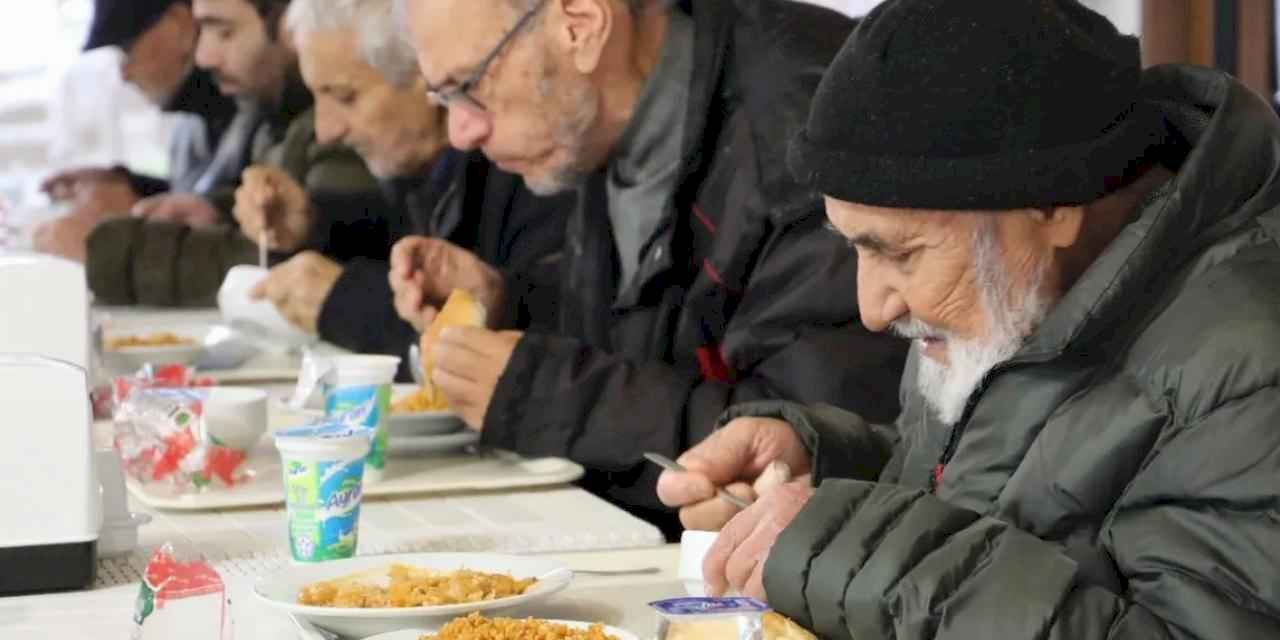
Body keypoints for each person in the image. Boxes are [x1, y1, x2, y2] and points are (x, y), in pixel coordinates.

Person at [657, 1, 1280, 637]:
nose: (874, 309)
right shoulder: (1021, 285)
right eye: (856, 247)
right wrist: (824, 464)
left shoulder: (1254, 368)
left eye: (897, 251)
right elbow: (990, 492)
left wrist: (844, 543)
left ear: (1054, 205)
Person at [394, 0, 906, 533]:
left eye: (469, 86)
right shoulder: (598, 117)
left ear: (582, 25)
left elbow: (813, 439)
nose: (459, 133)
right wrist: (511, 306)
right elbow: (667, 341)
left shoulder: (802, 124)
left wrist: (549, 393)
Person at [233, 0, 567, 375]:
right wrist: (313, 226)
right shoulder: (425, 174)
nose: (325, 131)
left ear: (425, 71)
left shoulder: (536, 170)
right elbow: (396, 244)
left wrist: (347, 303)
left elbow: (550, 344)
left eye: (345, 96)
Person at [83, 0, 377, 308]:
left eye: (224, 32)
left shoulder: (329, 128)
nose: (202, 57)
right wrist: (219, 211)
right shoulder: (269, 122)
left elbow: (330, 255)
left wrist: (108, 253)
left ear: (288, 22)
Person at [33, 0, 240, 261]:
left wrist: (108, 252)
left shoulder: (257, 110)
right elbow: (202, 200)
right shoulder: (192, 127)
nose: (124, 74)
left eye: (127, 50)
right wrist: (127, 186)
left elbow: (244, 239)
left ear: (178, 25)